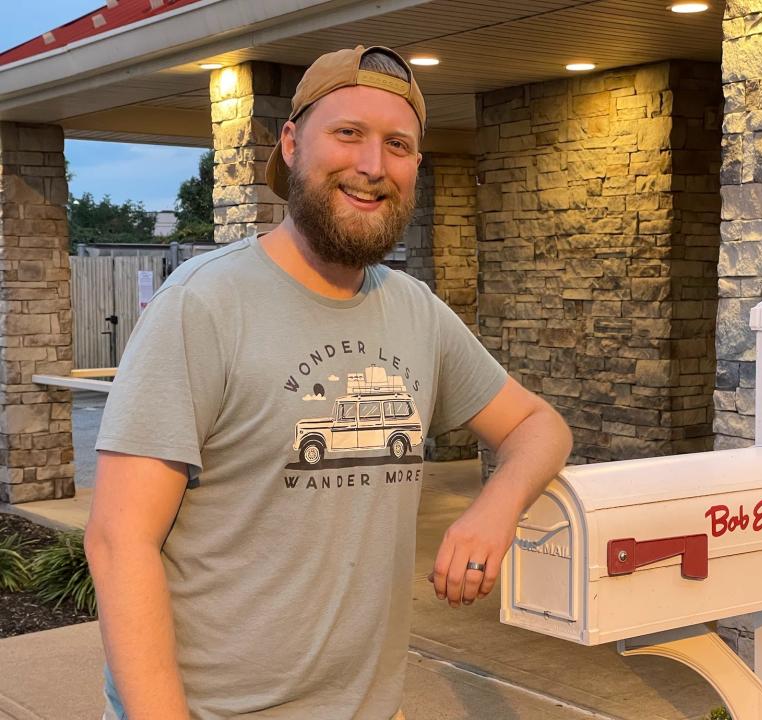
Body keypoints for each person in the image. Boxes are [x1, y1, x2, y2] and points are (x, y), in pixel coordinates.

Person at [84, 45, 572, 720]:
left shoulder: (415, 310)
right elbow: (119, 541)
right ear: (291, 143)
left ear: (416, 166)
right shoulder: (203, 305)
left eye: (397, 144)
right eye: (349, 134)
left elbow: (538, 425)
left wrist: (497, 504)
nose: (373, 166)